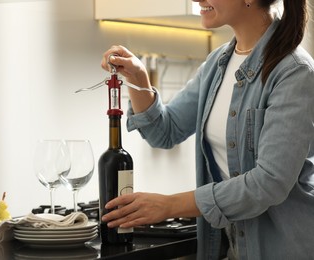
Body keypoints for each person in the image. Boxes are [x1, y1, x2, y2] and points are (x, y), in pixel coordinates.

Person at [100, 0, 314, 259]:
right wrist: (137, 79)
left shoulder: (294, 71)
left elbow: (269, 183)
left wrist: (169, 205)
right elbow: (165, 132)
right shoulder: (217, 64)